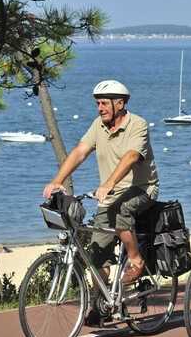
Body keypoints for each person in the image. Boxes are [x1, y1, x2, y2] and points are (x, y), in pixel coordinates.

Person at [43, 80, 159, 323]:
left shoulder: (137, 124)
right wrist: (57, 180)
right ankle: (100, 304)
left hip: (141, 190)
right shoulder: (99, 126)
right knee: (97, 254)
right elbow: (80, 152)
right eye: (97, 103)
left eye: (104, 103)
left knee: (123, 210)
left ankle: (136, 260)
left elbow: (131, 156)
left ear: (120, 103)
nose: (99, 108)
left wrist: (109, 184)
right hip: (111, 197)